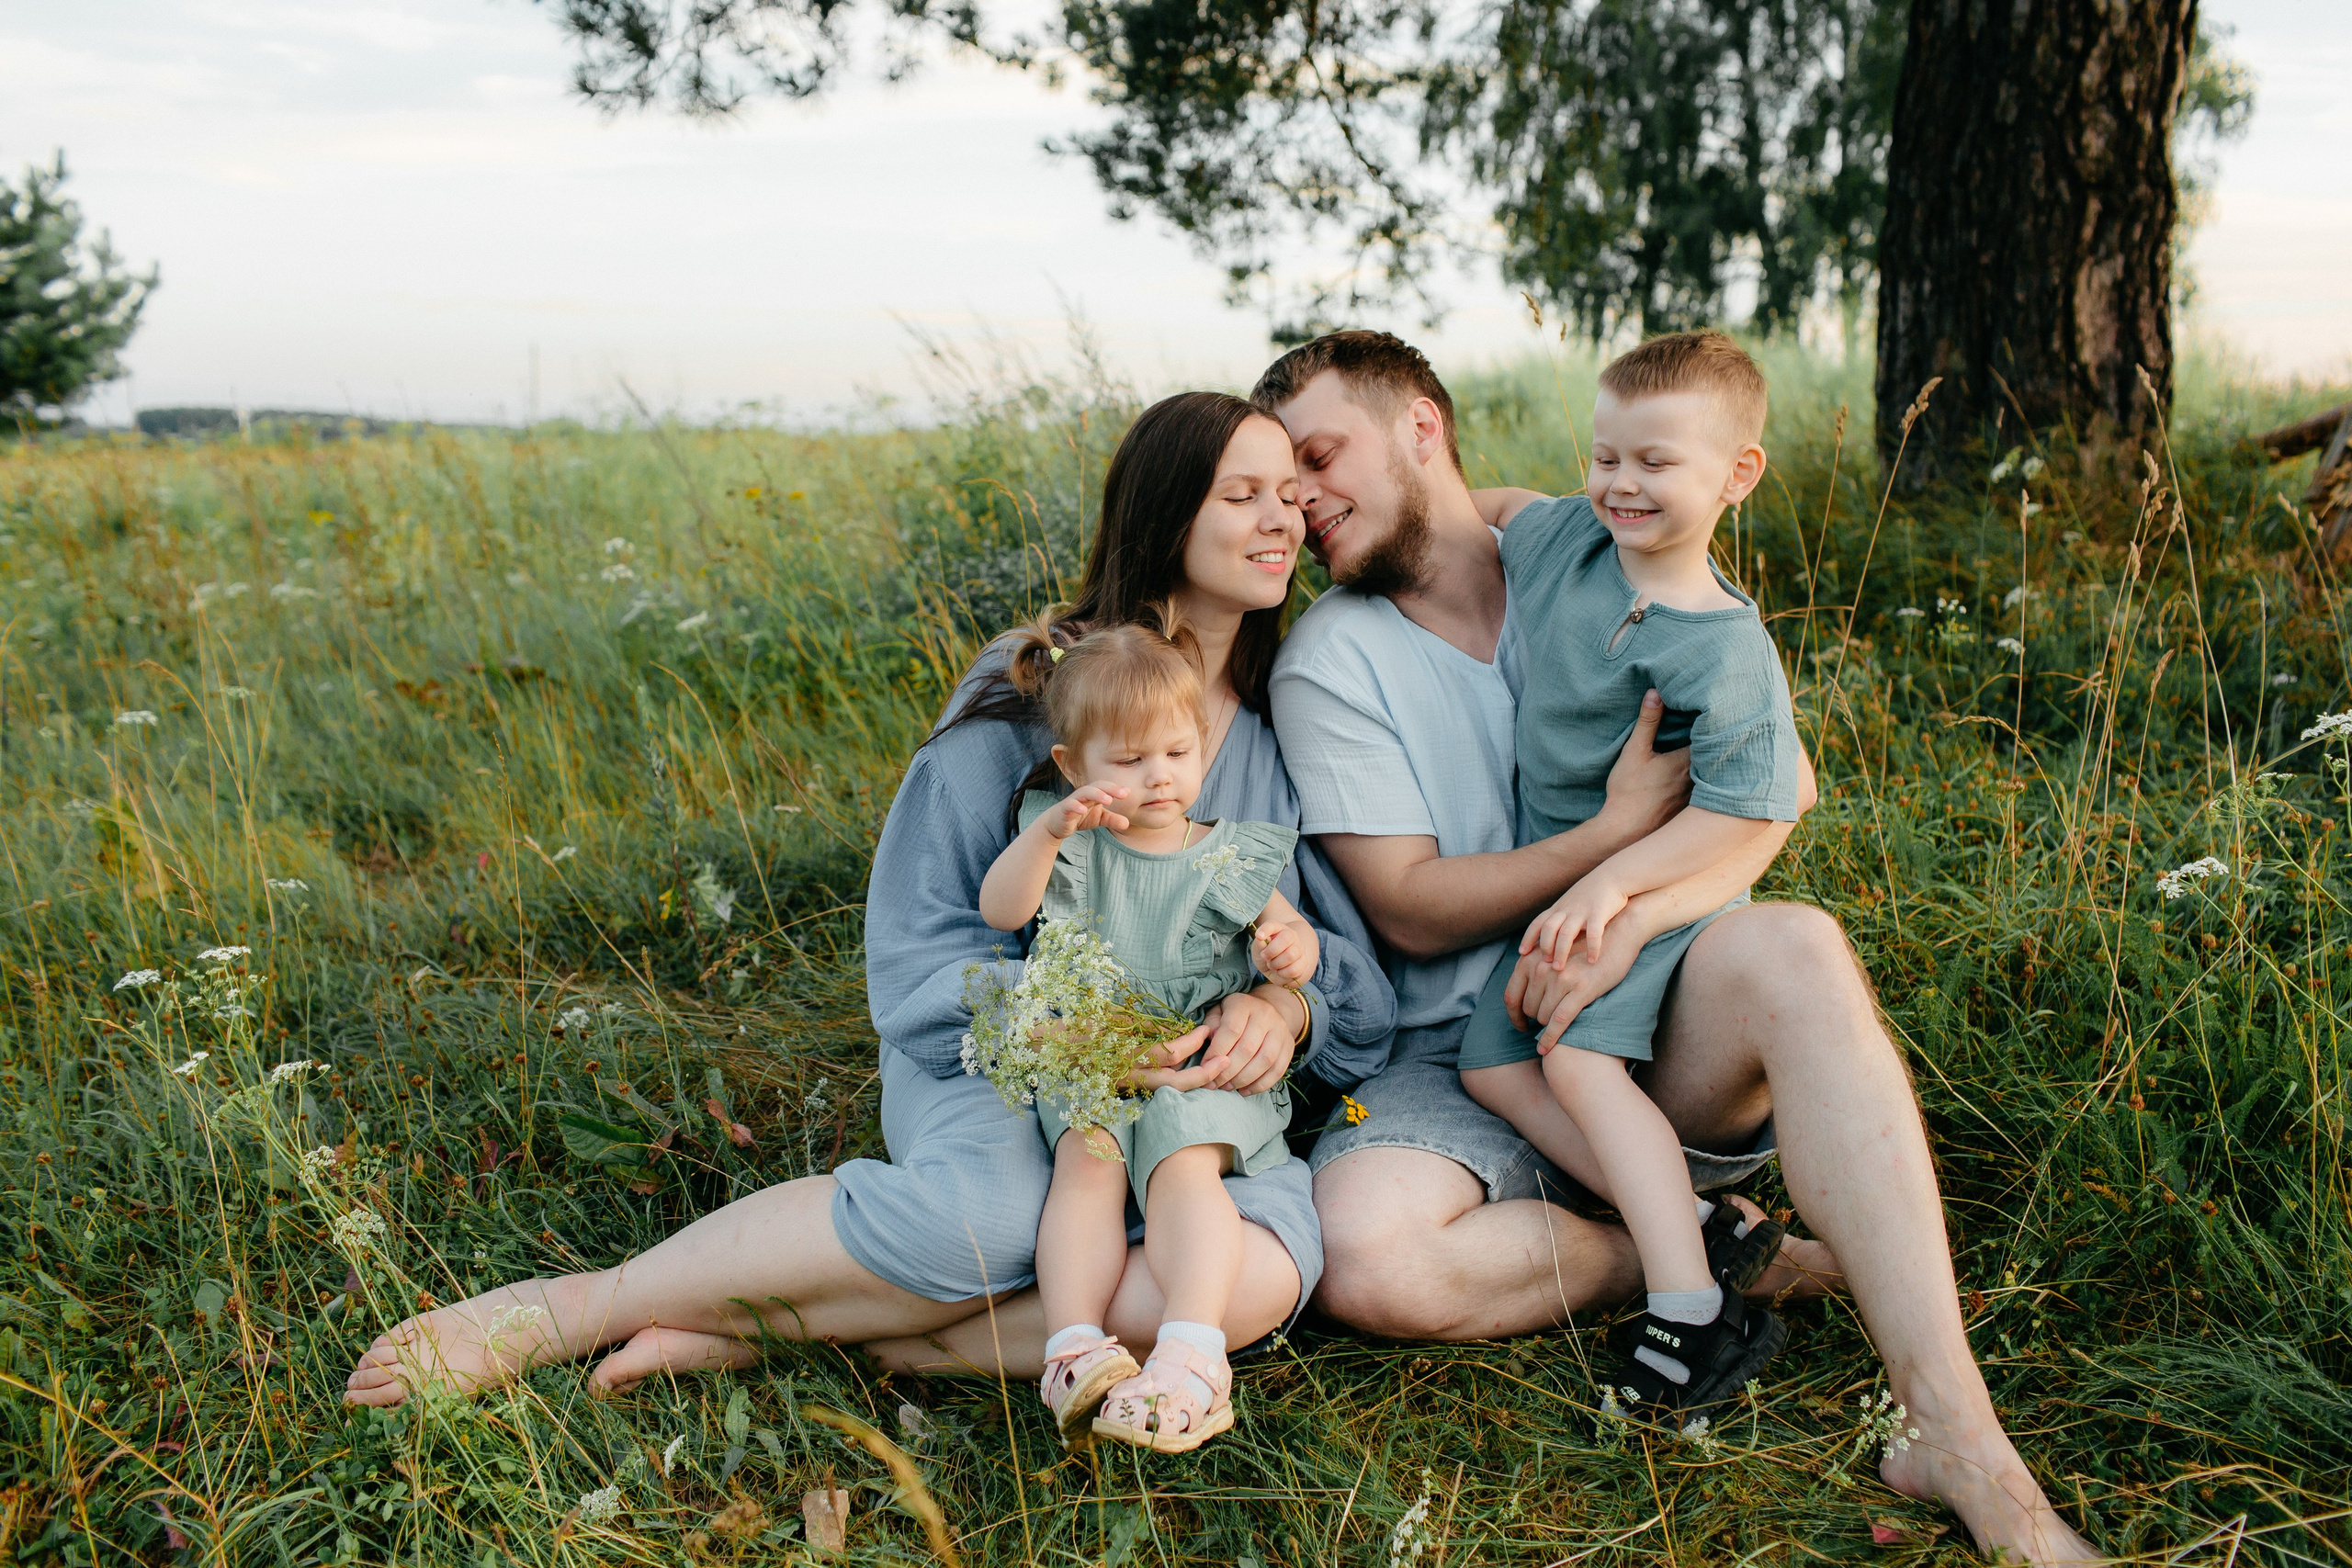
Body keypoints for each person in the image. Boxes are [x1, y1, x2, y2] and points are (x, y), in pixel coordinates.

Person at [343, 391, 1396, 1406]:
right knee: (987, 1224)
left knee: (1254, 1283)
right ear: (1164, 516)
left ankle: (812, 1334)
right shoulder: (1037, 686)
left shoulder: (1274, 726)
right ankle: (576, 1307)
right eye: (1240, 495)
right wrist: (1073, 1034)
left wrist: (1283, 1008)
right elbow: (919, 939)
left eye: (1287, 494)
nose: (1281, 518)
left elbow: (1336, 962)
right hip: (1008, 1054)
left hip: (1184, 1093)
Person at [1258, 331, 2098, 1565]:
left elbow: (1782, 788)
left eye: (1320, 455)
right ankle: (1720, 1247)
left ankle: (1958, 1436)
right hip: (1457, 1056)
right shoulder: (1333, 657)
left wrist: (1634, 918)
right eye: (1283, 474)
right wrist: (1606, 840)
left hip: (1650, 996)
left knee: (1798, 946)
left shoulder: (1599, 540)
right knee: (1368, 1258)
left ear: (1420, 427)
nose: (1299, 496)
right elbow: (1412, 910)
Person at [1457, 331, 1806, 1427]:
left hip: (1651, 899)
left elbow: (1746, 807)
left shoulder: (1722, 647)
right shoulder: (1572, 539)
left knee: (1574, 1059)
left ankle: (1691, 1311)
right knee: (1491, 1062)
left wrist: (1615, 889)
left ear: (1737, 475)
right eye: (1605, 456)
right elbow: (1497, 508)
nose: (1620, 483)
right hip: (1569, 887)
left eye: (1656, 461)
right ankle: (1699, 1226)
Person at [977, 613, 1319, 1452]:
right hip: (1097, 1051)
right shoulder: (1070, 843)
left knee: (1181, 1165)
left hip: (1198, 1062)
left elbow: (1294, 940)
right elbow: (1001, 910)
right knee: (1086, 1161)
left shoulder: (1226, 853)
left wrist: (1288, 951)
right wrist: (1048, 832)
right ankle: (1073, 1348)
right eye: (1129, 761)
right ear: (1074, 767)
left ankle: (1192, 1349)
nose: (1159, 776)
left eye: (1177, 752)